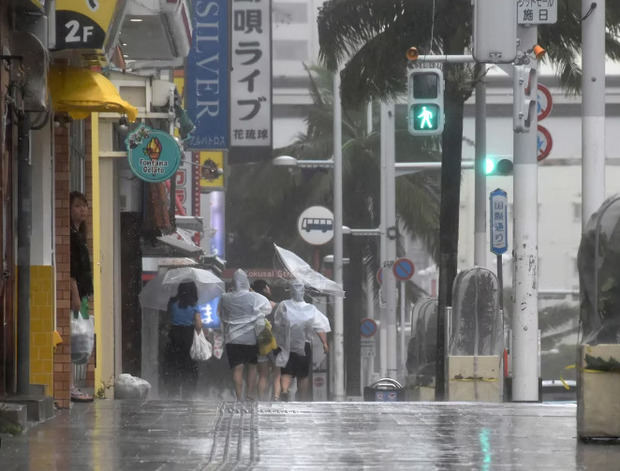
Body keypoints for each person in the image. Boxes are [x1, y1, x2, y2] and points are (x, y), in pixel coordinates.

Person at [272, 279, 329, 402]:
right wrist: (324, 343)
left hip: (286, 345)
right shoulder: (310, 308)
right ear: (303, 292)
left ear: (290, 291)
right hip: (304, 345)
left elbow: (277, 324)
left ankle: (285, 391)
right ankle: (302, 399)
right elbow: (319, 327)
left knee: (286, 371)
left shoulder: (283, 305)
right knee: (303, 375)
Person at [219, 269, 271, 401]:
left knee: (238, 368)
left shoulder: (225, 297)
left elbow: (221, 315)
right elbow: (267, 308)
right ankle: (250, 394)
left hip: (232, 338)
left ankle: (238, 397)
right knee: (252, 367)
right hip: (250, 338)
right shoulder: (254, 297)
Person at [70, 191, 94, 402]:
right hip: (76, 296)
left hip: (83, 295)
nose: (82, 210)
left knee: (81, 337)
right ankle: (69, 386)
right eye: (77, 206)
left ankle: (73, 384)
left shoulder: (79, 234)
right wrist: (75, 295)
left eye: (84, 206)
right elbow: (72, 270)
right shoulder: (70, 236)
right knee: (73, 337)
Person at [164, 281, 202, 399]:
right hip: (188, 336)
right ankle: (188, 392)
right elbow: (198, 325)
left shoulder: (172, 303)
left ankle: (173, 390)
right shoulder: (194, 305)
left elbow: (168, 319)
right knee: (189, 365)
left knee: (174, 364)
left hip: (174, 335)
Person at [251, 279, 281, 401]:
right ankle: (276, 397)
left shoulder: (254, 306)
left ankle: (261, 398)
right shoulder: (276, 306)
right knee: (276, 373)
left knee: (262, 375)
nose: (270, 289)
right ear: (264, 289)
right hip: (275, 343)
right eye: (268, 287)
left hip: (260, 342)